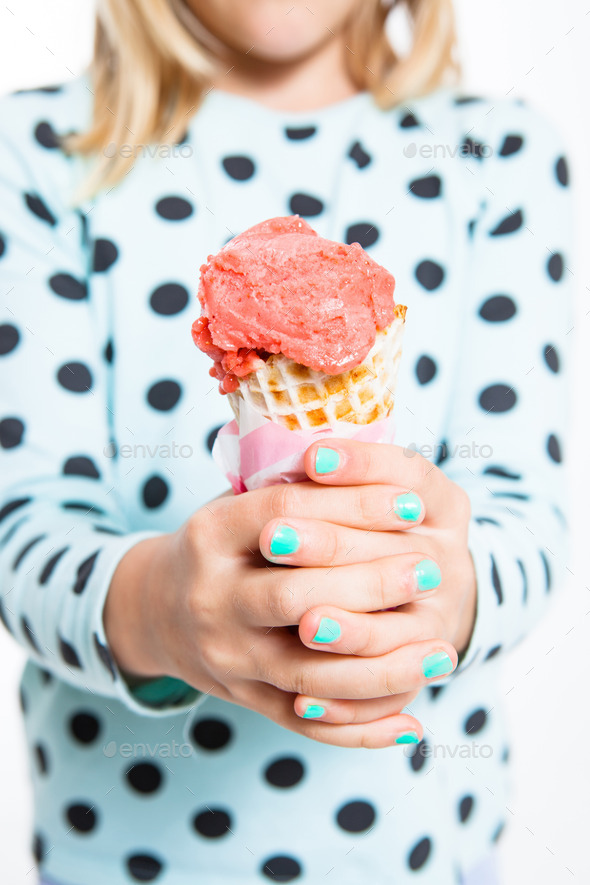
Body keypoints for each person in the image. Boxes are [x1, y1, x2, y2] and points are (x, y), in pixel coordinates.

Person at [0, 1, 573, 883]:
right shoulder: (37, 152)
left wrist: (446, 595)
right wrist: (165, 610)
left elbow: (530, 516)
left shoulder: (501, 158)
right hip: (121, 856)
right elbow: (23, 529)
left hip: (426, 856)